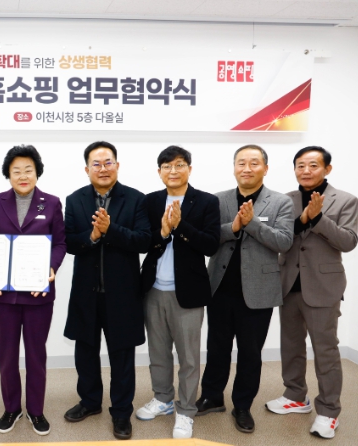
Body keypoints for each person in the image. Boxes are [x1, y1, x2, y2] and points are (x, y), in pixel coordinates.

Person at [195, 144, 294, 434]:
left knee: (250, 353)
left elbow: (283, 241)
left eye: (253, 163)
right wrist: (234, 227)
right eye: (241, 163)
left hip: (259, 291)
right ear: (234, 167)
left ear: (265, 168)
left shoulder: (281, 202)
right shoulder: (218, 200)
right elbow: (208, 239)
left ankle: (242, 405)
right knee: (217, 348)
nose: (247, 168)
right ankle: (212, 397)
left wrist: (251, 224)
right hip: (220, 288)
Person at [265, 146, 358, 440]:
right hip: (288, 283)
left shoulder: (346, 200)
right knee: (291, 346)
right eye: (300, 165)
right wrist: (302, 220)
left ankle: (329, 411)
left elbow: (348, 242)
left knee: (325, 350)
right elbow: (278, 238)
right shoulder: (285, 200)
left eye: (313, 165)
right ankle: (295, 396)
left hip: (323, 286)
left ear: (327, 169)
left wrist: (318, 219)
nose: (306, 170)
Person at [62, 141, 151, 440]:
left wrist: (110, 230)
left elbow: (143, 240)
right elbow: (69, 242)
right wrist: (92, 235)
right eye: (96, 164)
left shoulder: (136, 199)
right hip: (86, 293)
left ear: (117, 165)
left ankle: (121, 413)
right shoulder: (74, 200)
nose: (103, 168)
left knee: (122, 357)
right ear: (87, 169)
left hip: (122, 294)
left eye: (108, 162)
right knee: (85, 352)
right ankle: (89, 402)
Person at [136, 146, 220, 439]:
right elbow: (143, 242)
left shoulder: (206, 201)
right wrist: (162, 232)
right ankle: (163, 399)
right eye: (167, 166)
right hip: (153, 290)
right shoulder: (150, 201)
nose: (173, 170)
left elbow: (210, 245)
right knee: (158, 352)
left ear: (189, 169)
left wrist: (179, 226)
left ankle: (185, 410)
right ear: (159, 172)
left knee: (188, 357)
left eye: (179, 164)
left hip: (189, 292)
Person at [0, 145, 66, 436]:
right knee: (7, 355)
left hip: (38, 294)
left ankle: (36, 410)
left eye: (28, 170)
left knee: (35, 355)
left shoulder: (51, 203)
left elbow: (60, 243)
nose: (22, 176)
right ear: (8, 174)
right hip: (3, 296)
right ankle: (11, 408)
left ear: (37, 172)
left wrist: (51, 268)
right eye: (16, 171)